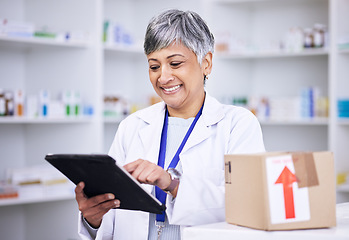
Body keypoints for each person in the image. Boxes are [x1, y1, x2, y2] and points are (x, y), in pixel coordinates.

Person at [75, 9, 265, 240]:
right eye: (154, 66)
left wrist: (172, 184)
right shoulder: (132, 126)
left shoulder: (237, 125)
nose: (163, 77)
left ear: (206, 63)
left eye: (175, 63)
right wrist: (93, 218)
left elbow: (247, 206)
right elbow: (112, 216)